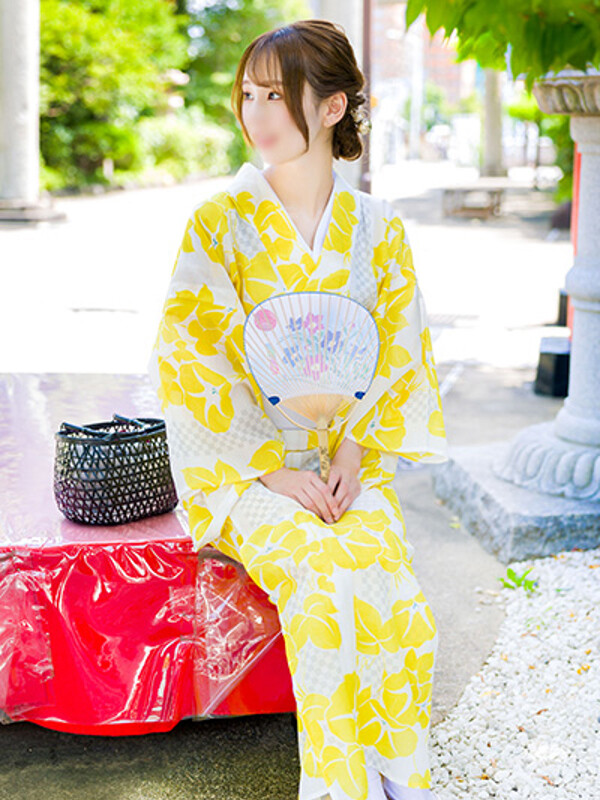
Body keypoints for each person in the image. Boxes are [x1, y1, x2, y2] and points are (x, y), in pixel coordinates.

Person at [147, 18, 449, 800]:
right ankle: (339, 783)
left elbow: (400, 351)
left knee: (388, 577)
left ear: (332, 106)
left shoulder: (378, 230)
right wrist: (271, 470)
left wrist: (353, 454)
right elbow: (193, 359)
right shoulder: (220, 223)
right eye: (248, 94)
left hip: (346, 463)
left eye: (276, 96)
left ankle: (399, 773)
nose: (255, 113)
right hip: (247, 470)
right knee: (320, 575)